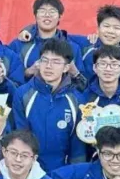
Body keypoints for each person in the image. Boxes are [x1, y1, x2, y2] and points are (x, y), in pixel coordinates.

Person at [8, 39, 84, 171]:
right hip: (30, 169)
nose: (48, 66)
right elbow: (21, 135)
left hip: (64, 171)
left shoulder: (76, 99)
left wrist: (73, 175)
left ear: (66, 67)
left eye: (56, 62)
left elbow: (77, 146)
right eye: (44, 60)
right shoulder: (23, 94)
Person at [10, 0, 88, 77]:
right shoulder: (19, 45)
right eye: (42, 11)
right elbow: (9, 77)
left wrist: (75, 73)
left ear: (60, 16)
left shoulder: (72, 47)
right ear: (35, 15)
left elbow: (82, 83)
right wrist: (28, 72)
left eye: (52, 11)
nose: (47, 15)